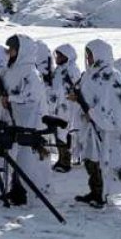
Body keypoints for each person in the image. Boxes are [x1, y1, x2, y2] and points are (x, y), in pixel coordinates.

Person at [70, 40, 121, 208]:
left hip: (105, 129)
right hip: (90, 125)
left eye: (90, 55)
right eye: (87, 55)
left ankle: (102, 193)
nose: (88, 59)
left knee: (103, 160)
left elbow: (113, 103)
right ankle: (94, 190)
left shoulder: (112, 75)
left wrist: (95, 114)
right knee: (90, 159)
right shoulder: (89, 74)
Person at [0, 34, 49, 206]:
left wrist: (10, 99)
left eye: (12, 49)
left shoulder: (31, 72)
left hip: (29, 121)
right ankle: (14, 190)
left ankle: (26, 192)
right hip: (15, 120)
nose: (9, 52)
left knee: (25, 159)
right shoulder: (12, 69)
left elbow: (30, 96)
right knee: (14, 156)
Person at [48, 44, 81, 173]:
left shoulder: (72, 69)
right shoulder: (59, 70)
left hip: (68, 107)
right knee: (58, 133)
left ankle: (66, 161)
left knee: (65, 133)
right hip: (58, 107)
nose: (57, 57)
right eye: (57, 55)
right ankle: (61, 158)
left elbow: (76, 88)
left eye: (60, 55)